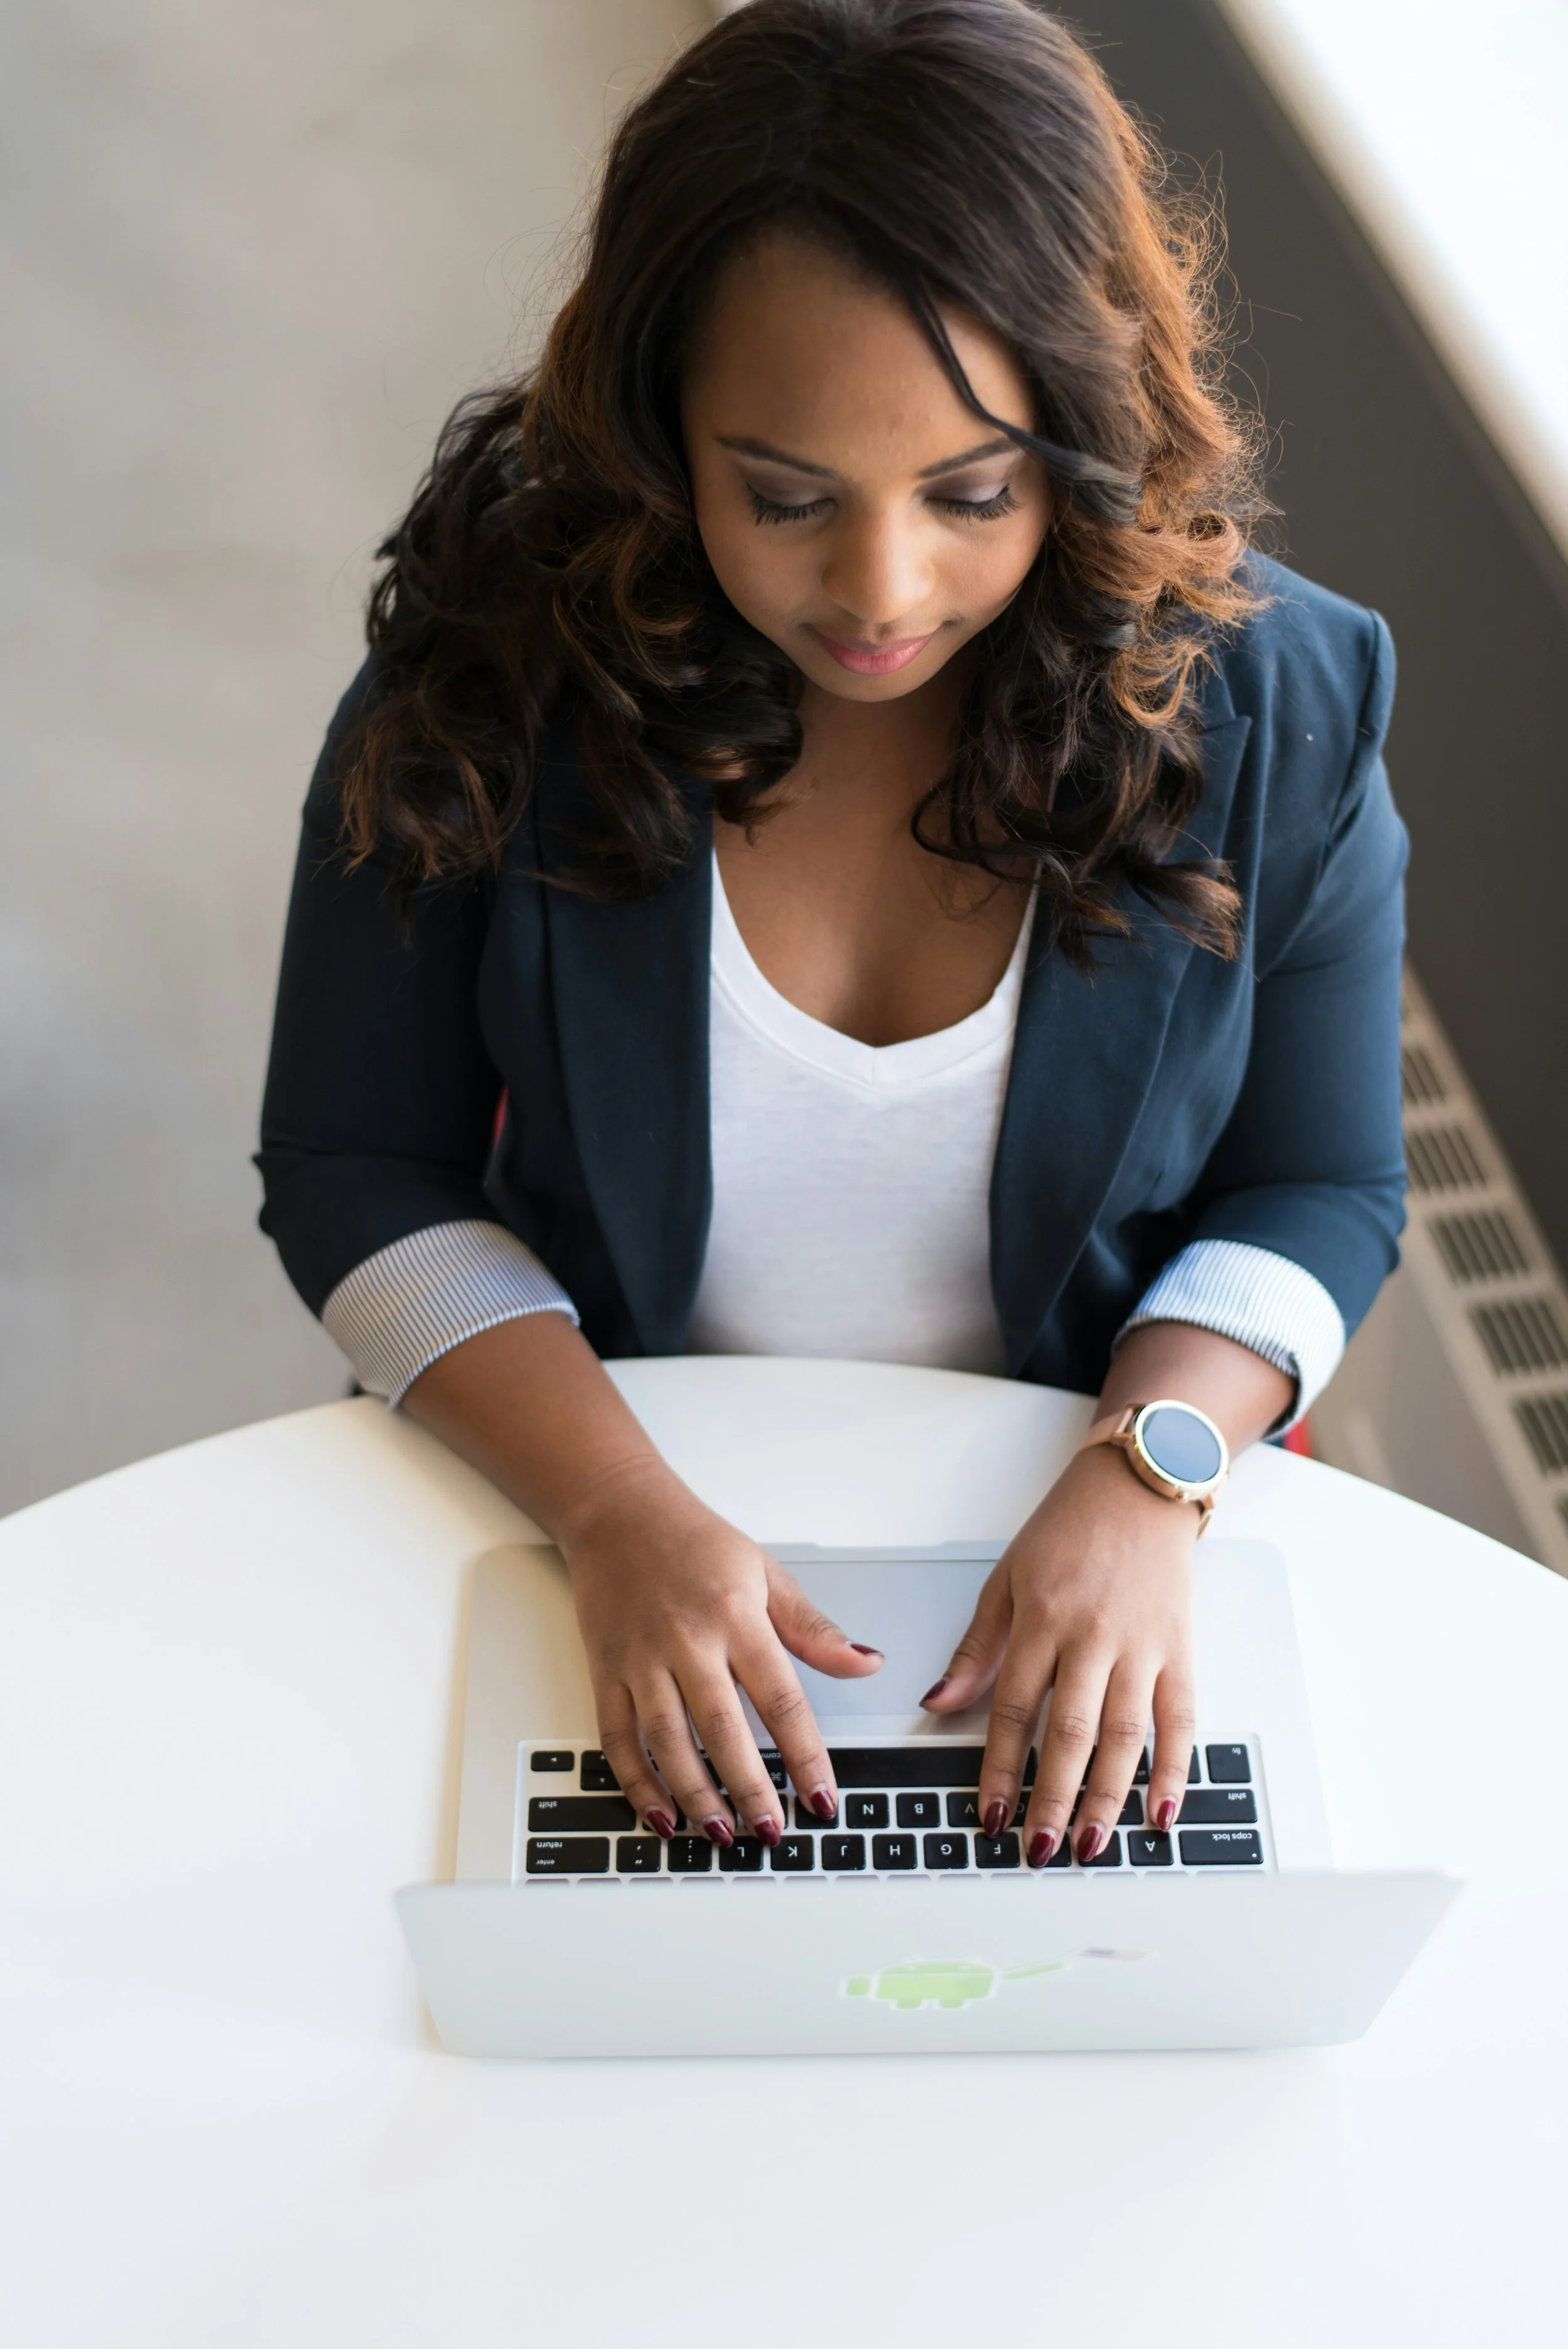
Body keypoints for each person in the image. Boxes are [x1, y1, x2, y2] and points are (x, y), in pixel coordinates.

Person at [258, 0, 1405, 1870]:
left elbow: (1323, 1187)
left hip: (1054, 1538)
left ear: (1084, 436)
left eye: (972, 494)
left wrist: (1147, 1485)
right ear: (656, 427)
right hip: (594, 1500)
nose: (880, 593)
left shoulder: (1276, 697)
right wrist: (617, 1519)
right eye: (784, 497)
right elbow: (353, 1164)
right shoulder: (487, 660)